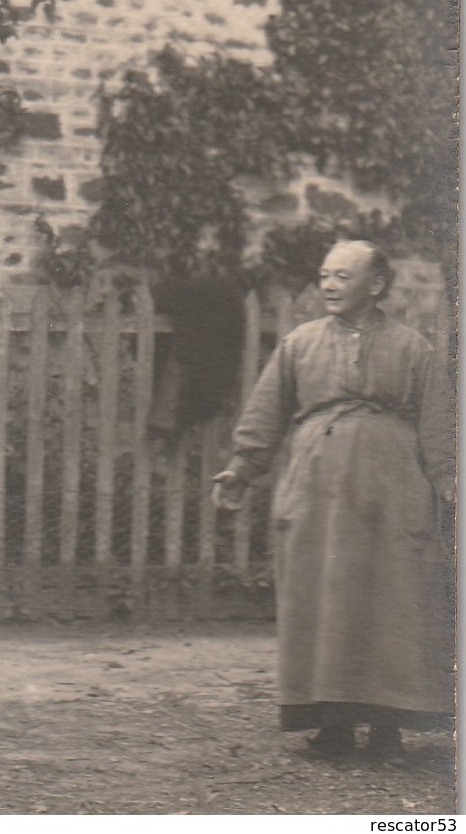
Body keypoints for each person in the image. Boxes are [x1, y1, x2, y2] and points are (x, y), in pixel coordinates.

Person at [212, 241, 456, 760]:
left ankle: (388, 727)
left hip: (392, 496)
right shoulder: (300, 344)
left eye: (343, 277)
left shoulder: (414, 348)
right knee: (322, 603)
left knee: (392, 604)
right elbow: (265, 413)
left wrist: (448, 480)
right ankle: (333, 725)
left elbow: (437, 424)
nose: (329, 285)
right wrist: (241, 468)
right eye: (324, 275)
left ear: (376, 285)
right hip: (317, 493)